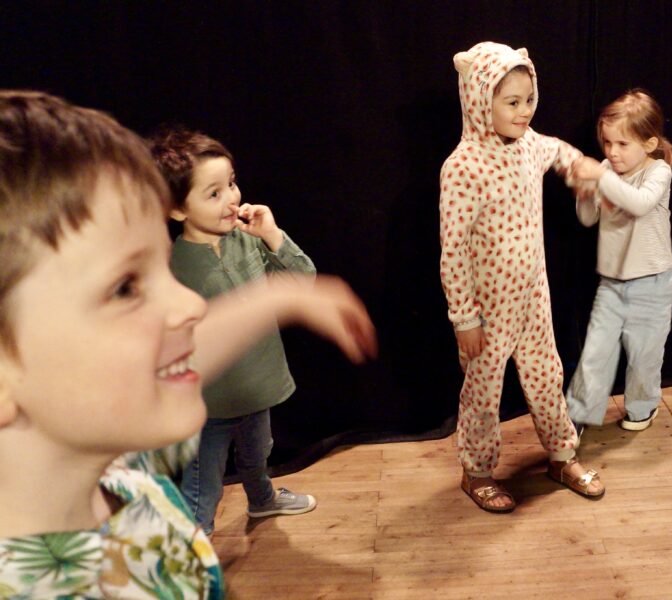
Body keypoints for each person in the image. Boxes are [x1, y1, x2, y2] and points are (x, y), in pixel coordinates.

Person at [0, 91, 376, 598]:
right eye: (126, 287)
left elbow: (154, 360)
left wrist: (278, 299)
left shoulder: (122, 468)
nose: (191, 308)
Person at [439, 41, 604, 513]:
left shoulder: (529, 145)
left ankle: (561, 454)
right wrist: (464, 317)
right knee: (484, 392)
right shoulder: (462, 167)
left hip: (533, 294)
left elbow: (556, 150)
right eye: (511, 102)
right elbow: (452, 251)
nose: (524, 111)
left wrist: (580, 166)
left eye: (528, 99)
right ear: (479, 100)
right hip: (486, 311)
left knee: (547, 375)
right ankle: (477, 472)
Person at [149, 126, 318, 535]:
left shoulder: (250, 240)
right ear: (176, 210)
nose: (232, 198)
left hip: (258, 389)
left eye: (231, 183)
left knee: (258, 455)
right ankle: (196, 546)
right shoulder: (169, 267)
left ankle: (261, 499)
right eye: (213, 193)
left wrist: (273, 236)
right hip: (207, 408)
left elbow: (304, 281)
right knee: (203, 488)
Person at [566, 89, 672, 434]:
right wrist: (584, 194)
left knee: (644, 356)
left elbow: (639, 203)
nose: (612, 153)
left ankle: (643, 407)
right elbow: (588, 218)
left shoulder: (658, 171)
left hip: (653, 281)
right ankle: (579, 417)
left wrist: (600, 178)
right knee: (595, 354)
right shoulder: (604, 169)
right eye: (607, 143)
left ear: (648, 143)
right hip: (612, 282)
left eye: (622, 144)